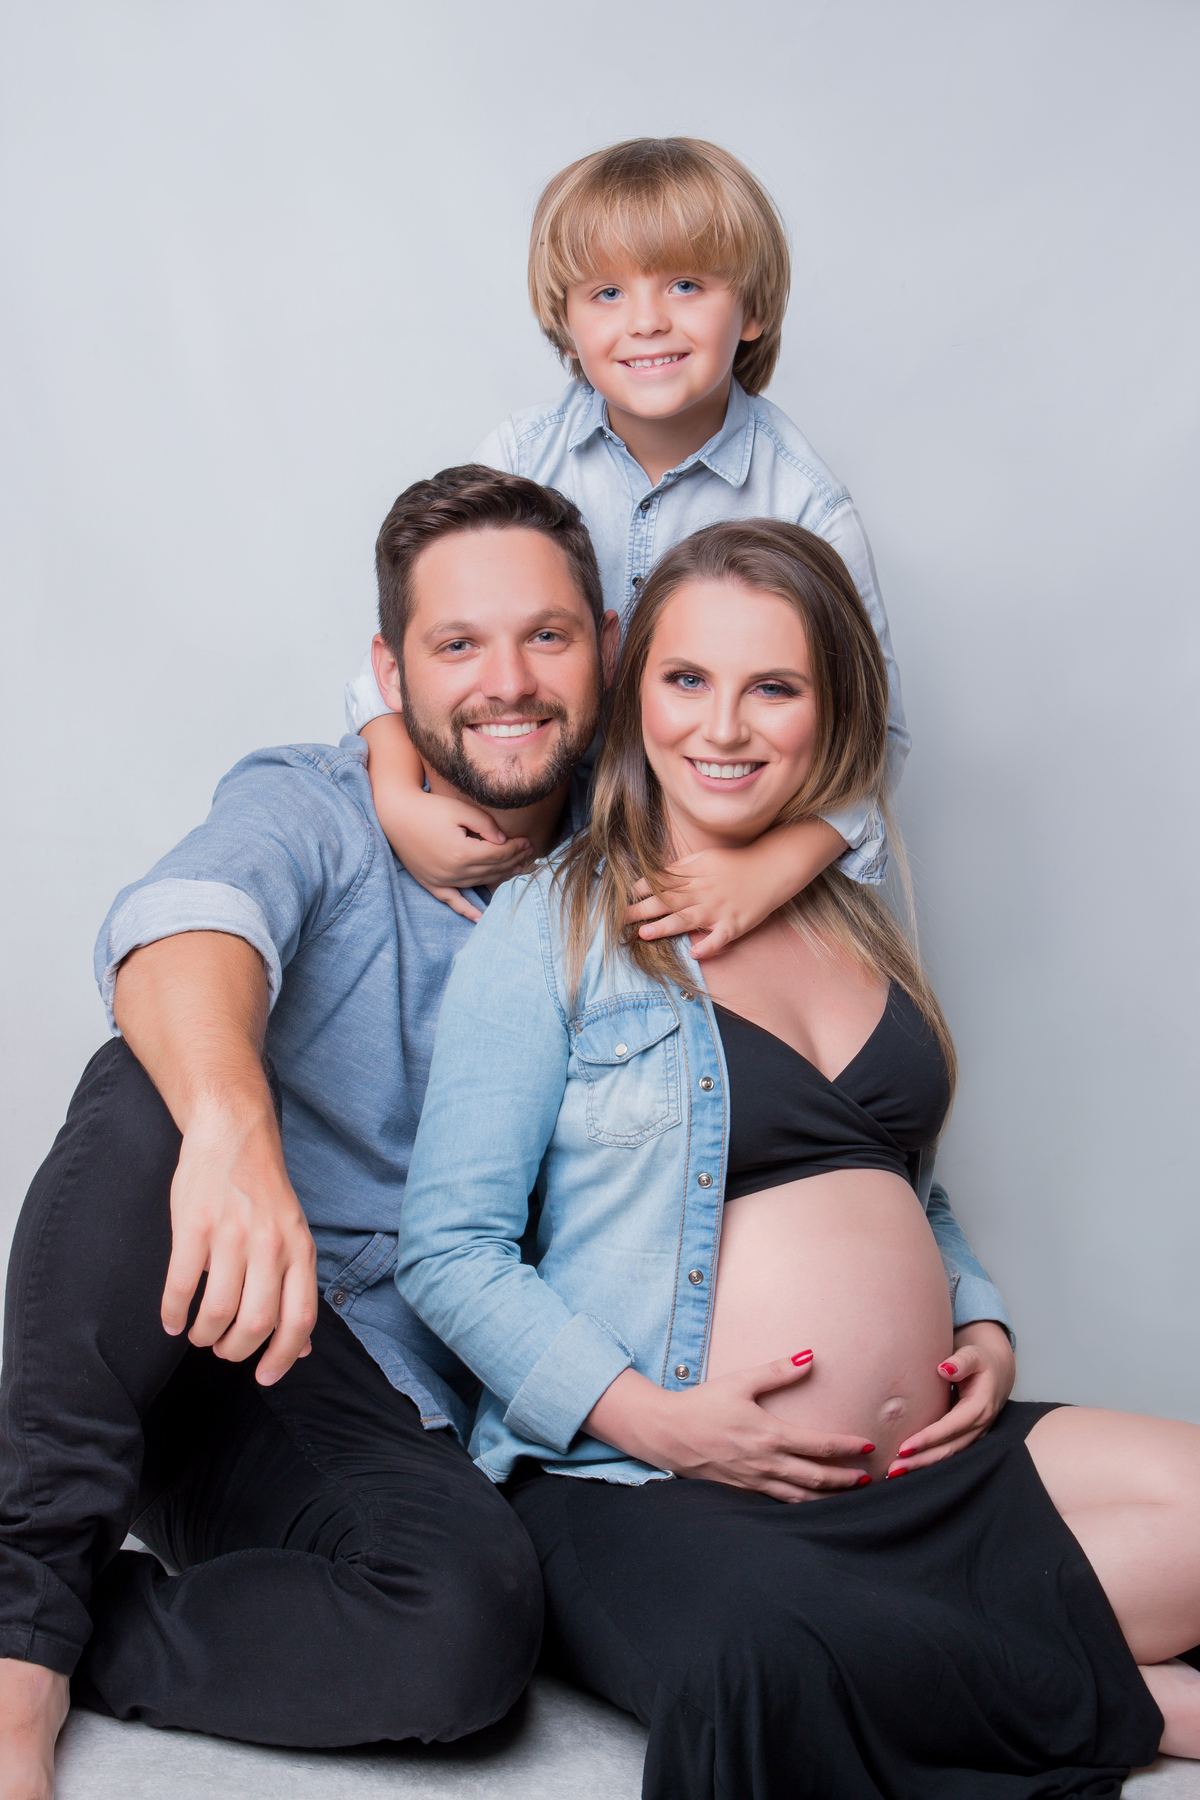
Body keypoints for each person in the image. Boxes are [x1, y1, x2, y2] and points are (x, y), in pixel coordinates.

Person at [396, 517, 1200, 1798]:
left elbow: (903, 1186)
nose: (723, 727)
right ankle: (1130, 1698)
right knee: (758, 1666)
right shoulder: (554, 924)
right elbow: (449, 1251)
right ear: (636, 688)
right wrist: (657, 1420)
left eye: (773, 687)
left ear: (831, 710)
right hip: (654, 1485)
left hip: (926, 1470)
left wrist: (982, 1326)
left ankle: (957, 1660)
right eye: (687, 679)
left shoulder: (859, 925)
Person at [0, 466, 622, 1800]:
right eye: (458, 645)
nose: (508, 681)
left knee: (465, 1627)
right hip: (221, 1321)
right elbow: (183, 923)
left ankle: (78, 1625)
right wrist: (238, 1132)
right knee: (159, 1078)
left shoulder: (637, 875)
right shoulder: (323, 803)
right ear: (389, 674)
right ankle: (18, 1640)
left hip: (395, 1401)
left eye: (547, 635)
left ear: (606, 647)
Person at [349, 137, 906, 950]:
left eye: (686, 285)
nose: (647, 321)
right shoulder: (520, 456)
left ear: (752, 311)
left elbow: (879, 735)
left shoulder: (805, 502)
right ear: (566, 323)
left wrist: (769, 869)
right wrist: (400, 800)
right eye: (607, 292)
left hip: (701, 855)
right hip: (526, 818)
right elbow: (418, 645)